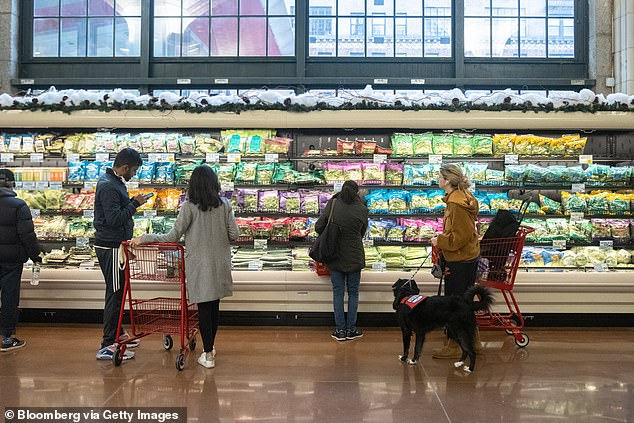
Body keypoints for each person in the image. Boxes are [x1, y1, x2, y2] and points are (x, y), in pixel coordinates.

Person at [131, 166, 239, 369]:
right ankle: (210, 347)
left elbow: (172, 237)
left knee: (204, 308)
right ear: (214, 184)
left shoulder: (189, 207)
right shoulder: (224, 204)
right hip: (219, 264)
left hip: (199, 265)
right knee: (214, 307)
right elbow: (234, 234)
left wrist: (145, 238)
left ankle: (208, 355)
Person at [94, 148, 148, 361]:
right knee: (115, 294)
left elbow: (117, 212)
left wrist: (132, 201)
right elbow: (114, 218)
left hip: (117, 246)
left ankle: (118, 333)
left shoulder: (114, 183)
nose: (134, 174)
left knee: (118, 293)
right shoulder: (108, 186)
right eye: (133, 170)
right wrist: (135, 204)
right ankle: (108, 343)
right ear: (125, 167)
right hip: (111, 247)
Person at [430, 164, 481, 359]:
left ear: (448, 180)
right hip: (467, 257)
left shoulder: (455, 204)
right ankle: (473, 340)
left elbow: (460, 237)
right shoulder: (464, 197)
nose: (438, 180)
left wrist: (439, 240)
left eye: (440, 177)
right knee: (464, 302)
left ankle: (454, 346)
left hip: (459, 259)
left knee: (454, 304)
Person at [315, 180, 369, 341]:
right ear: (357, 192)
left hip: (335, 254)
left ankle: (340, 330)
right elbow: (361, 232)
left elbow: (319, 227)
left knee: (338, 293)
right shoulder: (362, 209)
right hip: (354, 255)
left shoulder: (333, 204)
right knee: (353, 293)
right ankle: (351, 329)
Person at [0, 169, 42, 352]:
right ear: (11, 183)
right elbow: (27, 235)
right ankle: (7, 338)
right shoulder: (18, 205)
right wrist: (35, 256)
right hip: (11, 259)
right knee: (9, 297)